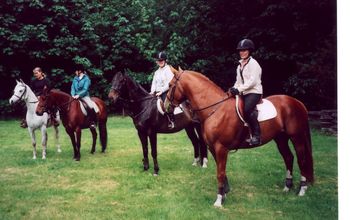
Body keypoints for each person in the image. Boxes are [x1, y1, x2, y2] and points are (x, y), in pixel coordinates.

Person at [230, 39, 263, 145]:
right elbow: (238, 81)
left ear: (250, 51)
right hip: (243, 92)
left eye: (244, 50)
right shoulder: (239, 65)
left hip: (254, 92)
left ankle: (257, 136)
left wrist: (239, 89)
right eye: (240, 50)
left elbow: (253, 81)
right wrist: (234, 88)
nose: (242, 52)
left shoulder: (254, 64)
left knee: (247, 109)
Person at [150, 51, 175, 128]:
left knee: (166, 105)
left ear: (165, 60)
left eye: (161, 60)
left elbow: (170, 83)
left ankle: (171, 120)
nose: (160, 62)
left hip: (167, 91)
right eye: (158, 60)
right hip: (157, 92)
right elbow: (154, 83)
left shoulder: (168, 69)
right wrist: (152, 91)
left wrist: (161, 91)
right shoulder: (156, 72)